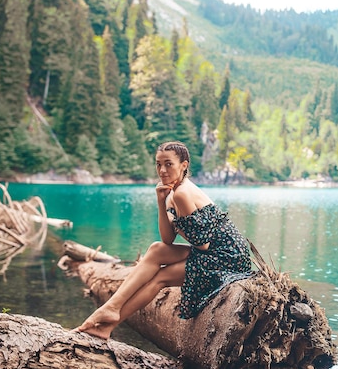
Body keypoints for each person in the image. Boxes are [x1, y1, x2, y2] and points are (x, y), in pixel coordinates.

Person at [74, 141, 253, 339]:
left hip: (227, 256)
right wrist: (161, 203)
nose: (162, 170)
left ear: (183, 165)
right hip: (213, 250)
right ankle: (111, 309)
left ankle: (110, 320)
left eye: (169, 164)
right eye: (158, 164)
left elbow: (202, 244)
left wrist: (177, 222)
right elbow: (167, 240)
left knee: (160, 277)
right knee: (156, 249)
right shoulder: (172, 192)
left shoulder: (182, 193)